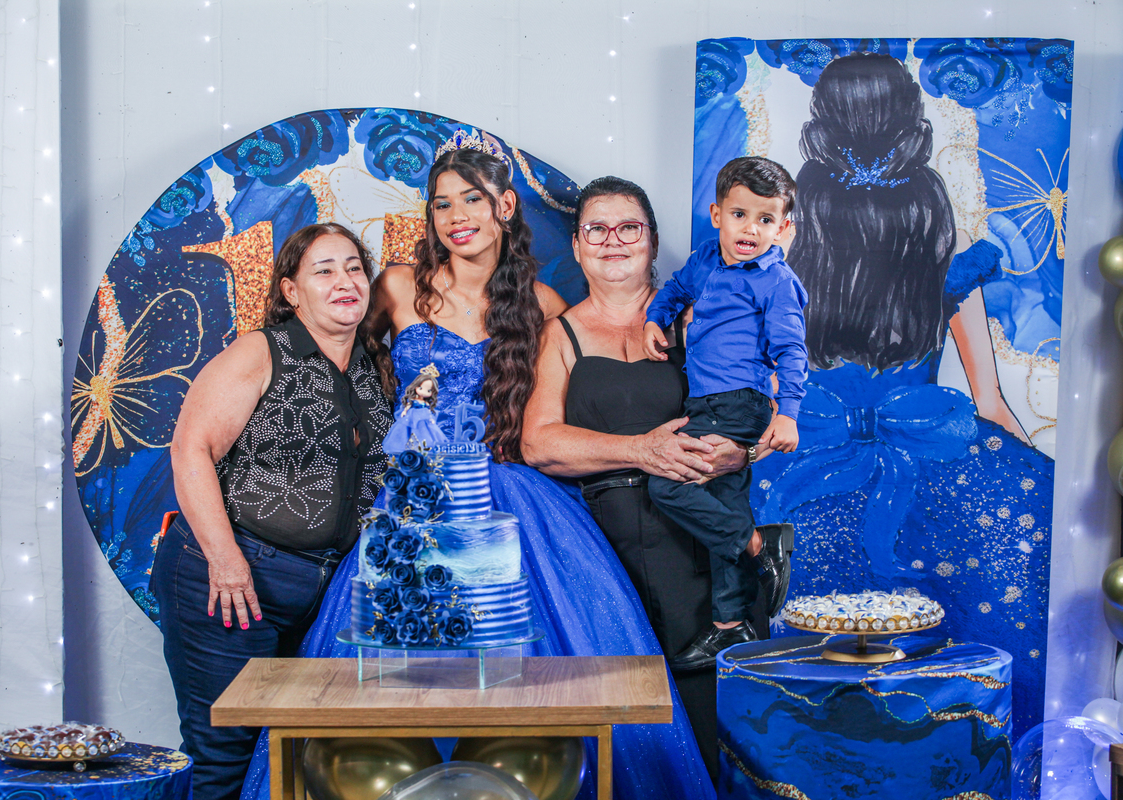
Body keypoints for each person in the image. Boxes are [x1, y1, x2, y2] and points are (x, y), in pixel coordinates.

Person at [241, 135, 719, 800]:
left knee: (535, 678)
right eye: (441, 204)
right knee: (399, 681)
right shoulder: (397, 287)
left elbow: (596, 379)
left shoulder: (545, 305)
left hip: (515, 503)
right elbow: (335, 366)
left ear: (506, 206)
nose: (456, 215)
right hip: (417, 505)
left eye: (471, 198)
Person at [755, 51, 1052, 733]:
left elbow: (771, 389)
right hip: (934, 461)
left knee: (813, 663)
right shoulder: (939, 231)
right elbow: (989, 404)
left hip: (807, 463)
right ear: (909, 122)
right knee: (952, 644)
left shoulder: (783, 252)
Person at [521, 174, 780, 781]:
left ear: (653, 242)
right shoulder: (560, 334)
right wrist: (640, 450)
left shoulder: (706, 313)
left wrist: (741, 452)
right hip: (602, 559)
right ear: (577, 246)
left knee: (715, 726)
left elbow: (763, 410)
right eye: (596, 230)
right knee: (621, 737)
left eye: (629, 228)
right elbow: (538, 443)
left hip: (702, 540)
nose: (613, 241)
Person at [153, 223, 395, 800]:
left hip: (323, 594)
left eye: (354, 268)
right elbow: (191, 449)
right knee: (224, 757)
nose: (345, 281)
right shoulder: (263, 351)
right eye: (324, 270)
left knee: (295, 760)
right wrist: (225, 560)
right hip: (232, 580)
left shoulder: (373, 366)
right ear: (291, 290)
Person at [639, 157, 806, 669]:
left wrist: (788, 413)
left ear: (783, 228)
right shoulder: (706, 261)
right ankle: (731, 626)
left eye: (765, 219)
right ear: (717, 215)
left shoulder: (776, 281)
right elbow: (675, 289)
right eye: (739, 215)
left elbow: (792, 351)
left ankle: (760, 545)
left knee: (668, 484)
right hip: (705, 401)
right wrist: (655, 319)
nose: (750, 229)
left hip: (738, 402)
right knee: (724, 506)